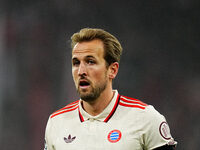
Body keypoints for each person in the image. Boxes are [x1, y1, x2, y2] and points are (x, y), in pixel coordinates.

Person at [44, 28, 177, 150]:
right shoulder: (56, 123)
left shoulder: (146, 119)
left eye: (90, 62)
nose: (81, 71)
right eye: (76, 63)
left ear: (112, 70)